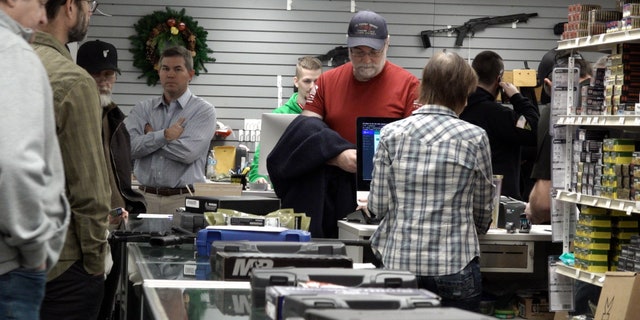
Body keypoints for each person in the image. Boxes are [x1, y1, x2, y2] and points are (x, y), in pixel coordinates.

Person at [269, 10, 420, 238]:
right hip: (332, 198)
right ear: (348, 46)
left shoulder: (409, 86)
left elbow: (415, 150)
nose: (367, 60)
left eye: (374, 52)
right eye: (358, 52)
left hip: (386, 195)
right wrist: (337, 156)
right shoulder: (326, 83)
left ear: (387, 44)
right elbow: (305, 137)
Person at [369, 51, 494, 312]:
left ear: (424, 87)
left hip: (398, 265)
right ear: (463, 93)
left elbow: (378, 207)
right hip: (454, 264)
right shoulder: (475, 137)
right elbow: (483, 212)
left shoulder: (391, 134)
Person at [33, 1, 113, 319]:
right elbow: (90, 193)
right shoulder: (74, 81)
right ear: (69, 7)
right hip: (62, 269)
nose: (90, 12)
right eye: (88, 4)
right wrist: (96, 265)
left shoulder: (11, 65)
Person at [0, 1, 71, 319]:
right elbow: (13, 164)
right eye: (41, 3)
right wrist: (34, 250)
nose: (44, 17)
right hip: (10, 270)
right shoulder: (12, 51)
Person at [76, 39, 147, 320]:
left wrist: (125, 203)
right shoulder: (77, 113)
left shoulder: (113, 115)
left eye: (109, 75)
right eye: (97, 74)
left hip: (116, 226)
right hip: (88, 228)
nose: (104, 82)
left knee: (105, 306)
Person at [125, 45, 217, 214]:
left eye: (178, 69)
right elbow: (129, 148)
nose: (170, 74)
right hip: (144, 199)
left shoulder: (203, 111)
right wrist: (165, 135)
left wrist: (151, 137)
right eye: (165, 68)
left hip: (183, 200)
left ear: (190, 74)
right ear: (159, 72)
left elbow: (187, 153)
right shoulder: (142, 109)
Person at [460, 50, 539, 201]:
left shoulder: (459, 108)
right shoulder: (499, 114)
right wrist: (517, 97)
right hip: (500, 200)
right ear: (499, 79)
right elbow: (534, 130)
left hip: (467, 196)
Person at [248, 56, 323, 184]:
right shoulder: (279, 115)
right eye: (307, 81)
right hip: (290, 187)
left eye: (316, 81)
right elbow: (262, 155)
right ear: (296, 81)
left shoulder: (329, 114)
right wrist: (258, 177)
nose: (312, 86)